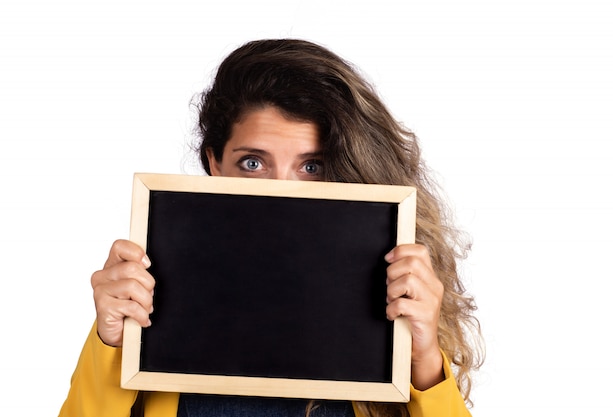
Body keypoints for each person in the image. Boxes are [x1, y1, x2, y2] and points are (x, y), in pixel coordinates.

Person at [59, 39, 483, 417]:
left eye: (311, 166)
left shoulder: (385, 308)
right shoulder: (155, 295)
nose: (282, 190)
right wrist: (111, 342)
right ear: (214, 164)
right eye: (253, 163)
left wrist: (425, 361)